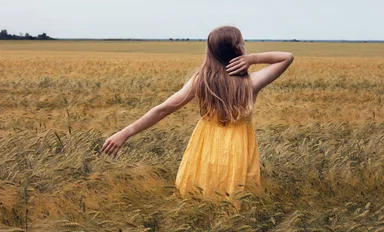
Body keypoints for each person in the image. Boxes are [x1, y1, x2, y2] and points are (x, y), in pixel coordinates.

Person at [101, 26, 294, 210]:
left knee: (202, 191)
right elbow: (287, 57)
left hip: (205, 144)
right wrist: (253, 59)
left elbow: (163, 109)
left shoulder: (202, 81)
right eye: (243, 43)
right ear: (238, 49)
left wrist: (124, 133)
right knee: (235, 192)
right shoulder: (252, 82)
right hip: (238, 146)